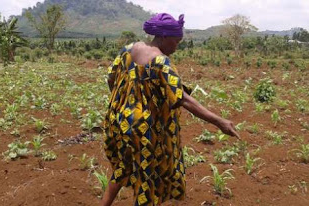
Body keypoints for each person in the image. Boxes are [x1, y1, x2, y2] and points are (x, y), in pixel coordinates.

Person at [101, 13, 239, 206]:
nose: (177, 46)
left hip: (118, 123)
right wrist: (219, 121)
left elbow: (111, 79)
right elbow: (183, 99)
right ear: (164, 37)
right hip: (143, 131)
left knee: (122, 168)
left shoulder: (127, 50)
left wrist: (126, 105)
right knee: (147, 184)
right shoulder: (161, 61)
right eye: (176, 41)